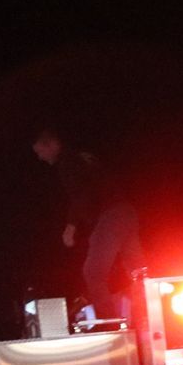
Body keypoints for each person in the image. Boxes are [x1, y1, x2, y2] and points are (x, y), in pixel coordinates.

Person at [33, 127, 146, 322]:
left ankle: (109, 324)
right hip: (126, 213)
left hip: (111, 216)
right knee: (138, 271)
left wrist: (70, 226)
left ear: (51, 145)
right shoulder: (83, 157)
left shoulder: (67, 162)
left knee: (93, 273)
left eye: (40, 152)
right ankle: (146, 316)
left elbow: (81, 195)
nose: (40, 158)